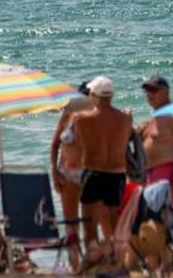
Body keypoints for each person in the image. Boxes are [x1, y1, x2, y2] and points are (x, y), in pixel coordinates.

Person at [73, 76, 133, 267]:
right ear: (111, 95)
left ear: (93, 95)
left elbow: (78, 142)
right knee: (115, 225)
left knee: (89, 226)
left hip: (94, 172)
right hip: (117, 174)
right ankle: (117, 263)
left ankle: (91, 264)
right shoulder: (126, 118)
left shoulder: (81, 118)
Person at [51, 83, 94, 271]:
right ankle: (74, 265)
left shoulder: (96, 117)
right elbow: (55, 145)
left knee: (89, 223)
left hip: (89, 174)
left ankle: (90, 265)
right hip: (67, 174)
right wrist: (54, 170)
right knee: (71, 224)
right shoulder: (67, 115)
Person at [140, 75, 173, 204]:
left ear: (166, 92)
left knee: (167, 214)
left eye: (154, 90)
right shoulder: (157, 116)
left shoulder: (172, 114)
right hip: (153, 174)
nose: (150, 94)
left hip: (167, 174)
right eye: (147, 91)